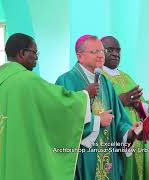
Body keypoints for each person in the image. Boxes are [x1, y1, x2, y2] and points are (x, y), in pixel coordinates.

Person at [0, 33, 90, 180]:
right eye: (34, 52)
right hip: (22, 162)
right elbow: (59, 104)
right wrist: (85, 95)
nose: (36, 58)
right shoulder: (28, 80)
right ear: (22, 53)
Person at [55, 35, 138, 180]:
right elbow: (63, 121)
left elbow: (118, 119)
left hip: (108, 160)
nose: (101, 55)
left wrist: (129, 133)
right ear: (79, 56)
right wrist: (97, 121)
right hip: (82, 158)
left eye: (102, 51)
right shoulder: (65, 80)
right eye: (95, 52)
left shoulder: (105, 82)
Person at [101, 36, 149, 180]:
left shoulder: (127, 77)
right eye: (110, 50)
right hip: (116, 136)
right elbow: (95, 106)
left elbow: (146, 104)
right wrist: (120, 101)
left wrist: (138, 104)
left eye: (118, 50)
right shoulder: (99, 76)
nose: (116, 53)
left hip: (136, 137)